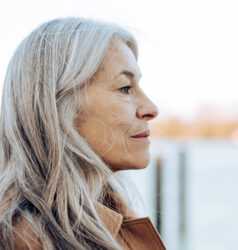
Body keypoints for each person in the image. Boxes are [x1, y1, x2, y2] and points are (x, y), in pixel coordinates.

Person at [0, 17, 166, 249]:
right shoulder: (24, 239)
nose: (151, 109)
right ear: (57, 106)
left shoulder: (112, 220)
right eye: (125, 88)